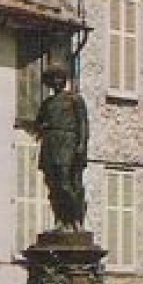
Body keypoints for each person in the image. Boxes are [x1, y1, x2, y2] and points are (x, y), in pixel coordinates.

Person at [35, 62, 89, 230]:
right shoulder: (47, 103)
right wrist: (42, 127)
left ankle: (75, 218)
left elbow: (83, 124)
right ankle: (59, 219)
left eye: (59, 77)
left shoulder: (74, 99)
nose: (56, 81)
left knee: (66, 183)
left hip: (68, 143)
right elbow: (37, 123)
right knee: (53, 185)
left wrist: (81, 146)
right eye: (53, 78)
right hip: (50, 144)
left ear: (64, 80)